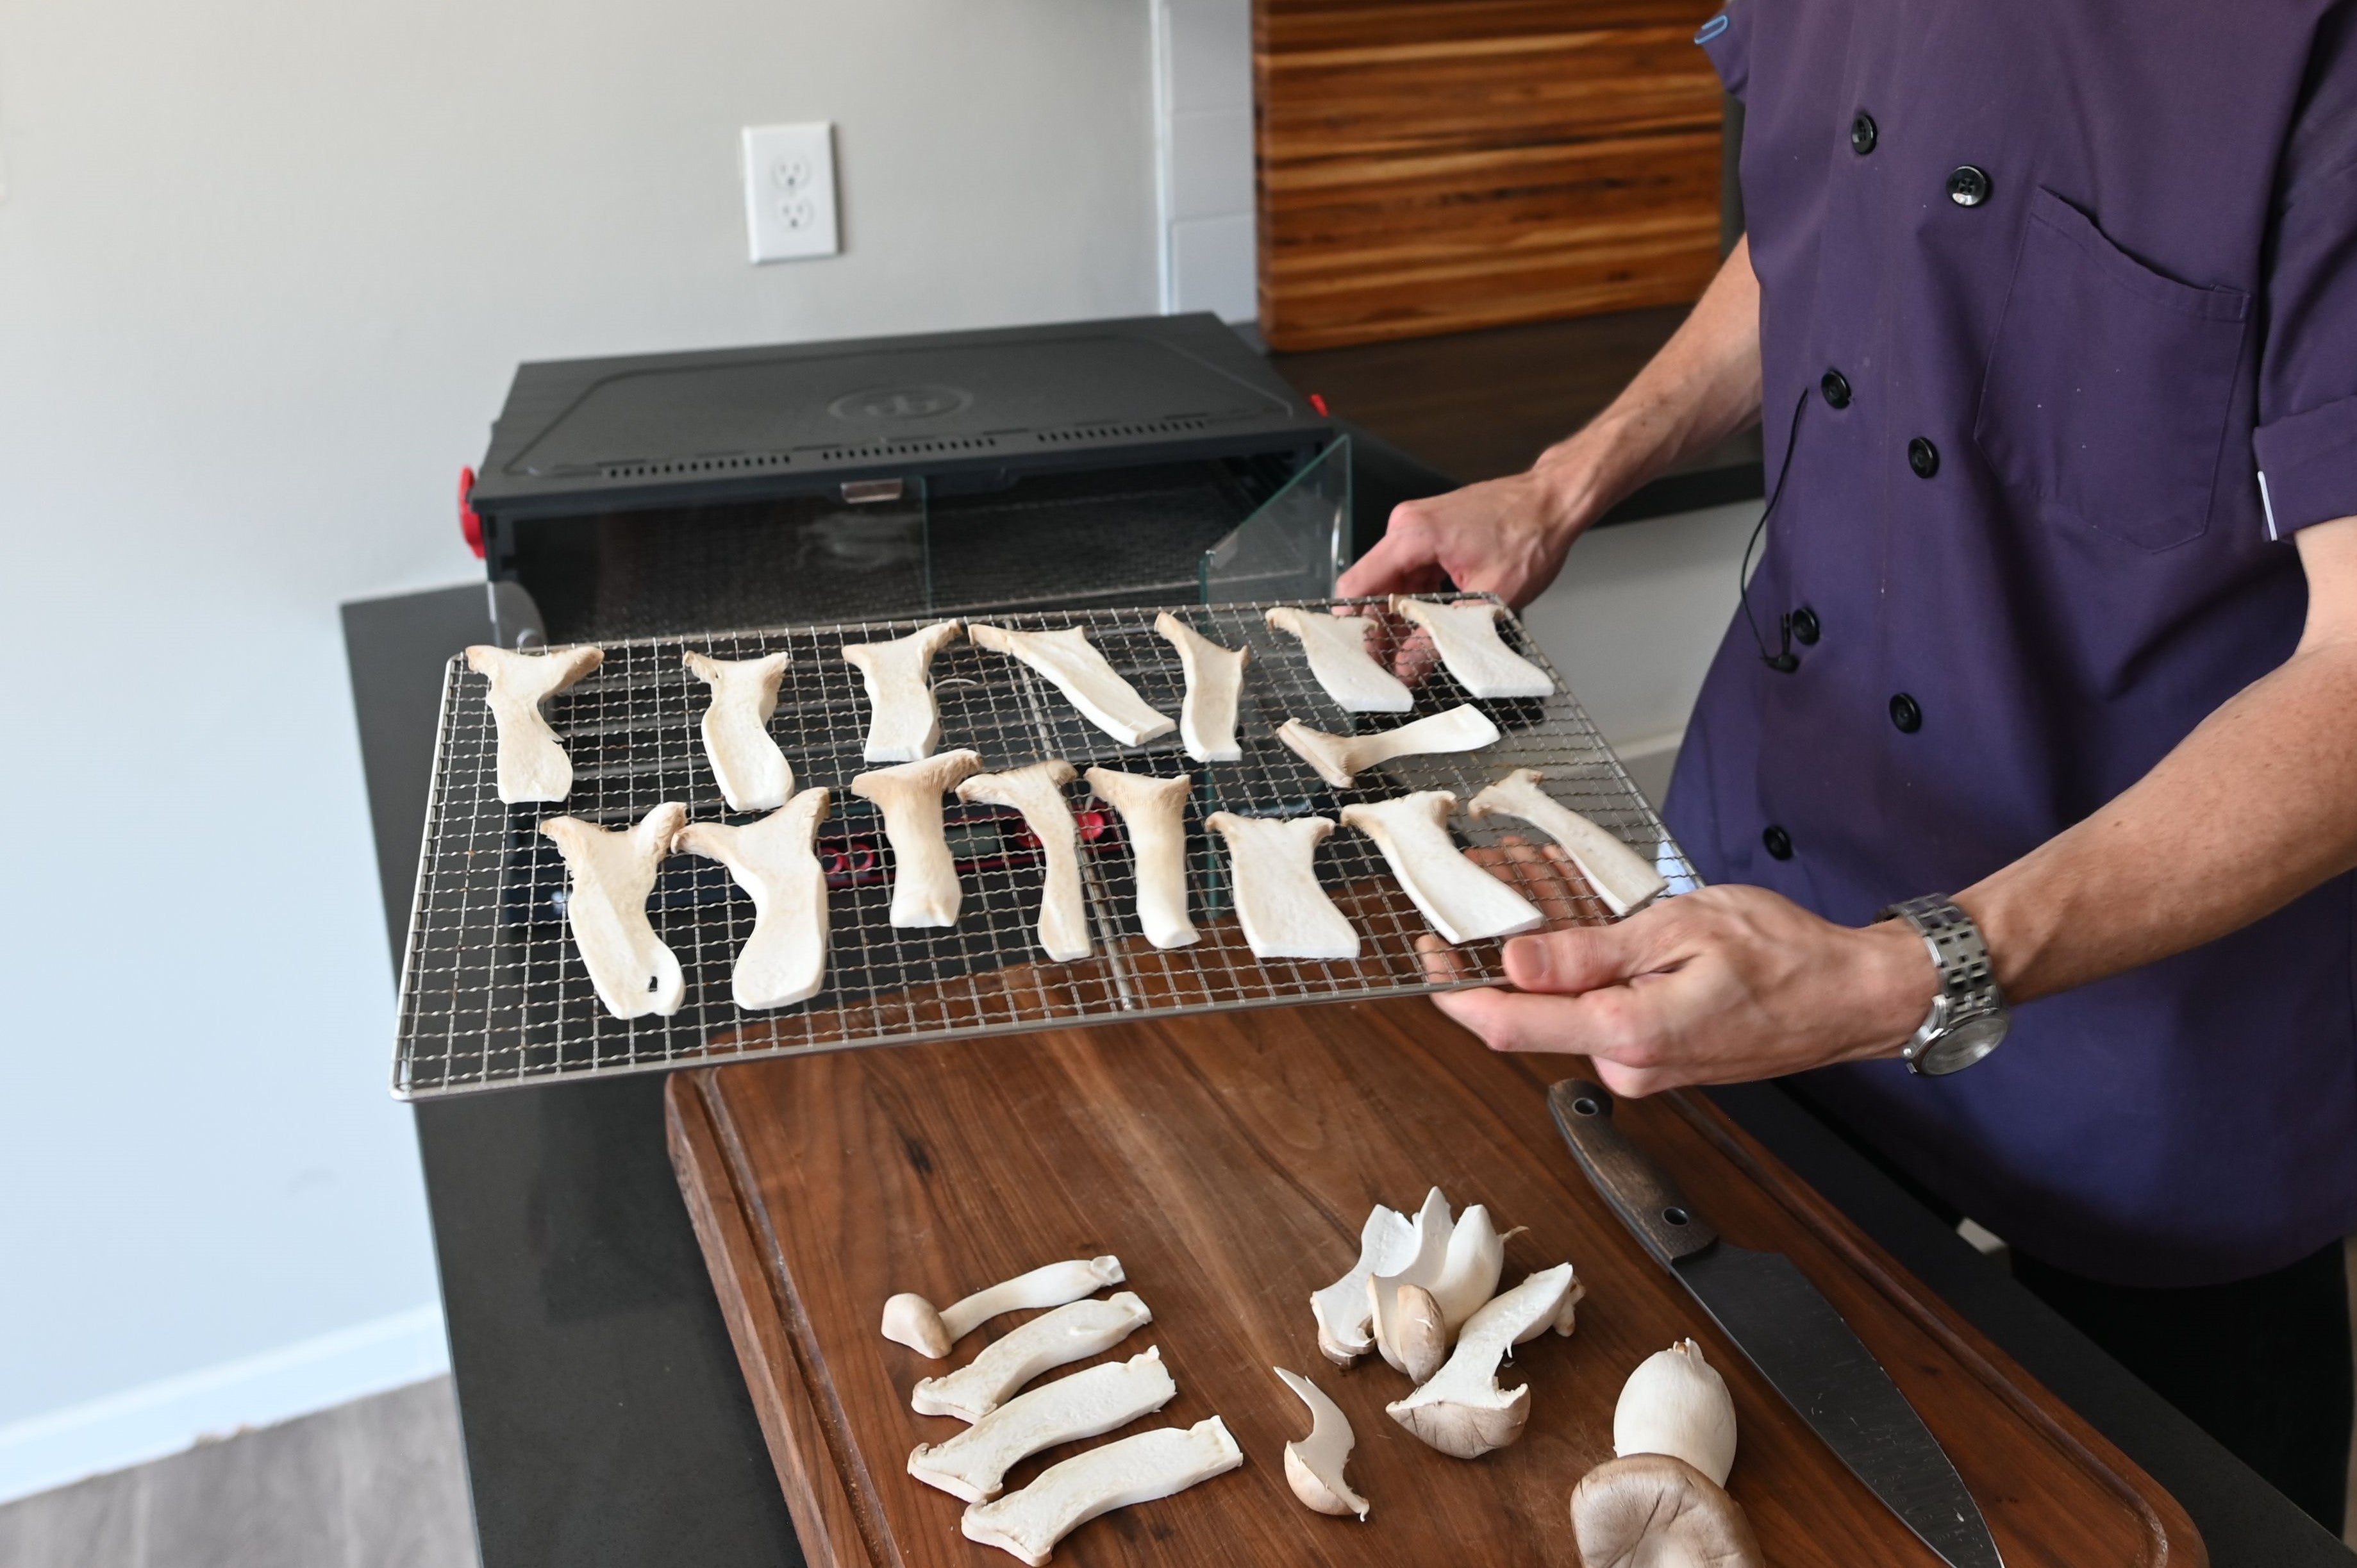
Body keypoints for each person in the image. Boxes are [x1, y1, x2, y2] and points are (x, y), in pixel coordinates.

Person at [1338, 0, 2357, 1531]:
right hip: (1767, 889)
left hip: (2155, 1047)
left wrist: (1909, 968)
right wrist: (1565, 483)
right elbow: (1825, 231)